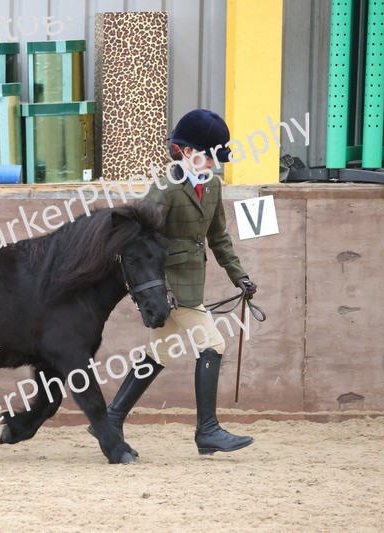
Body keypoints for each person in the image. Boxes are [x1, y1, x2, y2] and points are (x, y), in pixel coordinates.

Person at [101, 108, 258, 455]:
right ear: (186, 152)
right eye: (206, 157)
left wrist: (240, 276)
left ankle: (111, 418)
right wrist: (161, 289)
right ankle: (208, 430)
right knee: (213, 344)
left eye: (216, 159)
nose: (212, 165)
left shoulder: (213, 186)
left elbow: (219, 237)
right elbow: (140, 240)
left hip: (190, 284)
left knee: (159, 352)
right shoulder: (166, 189)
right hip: (172, 289)